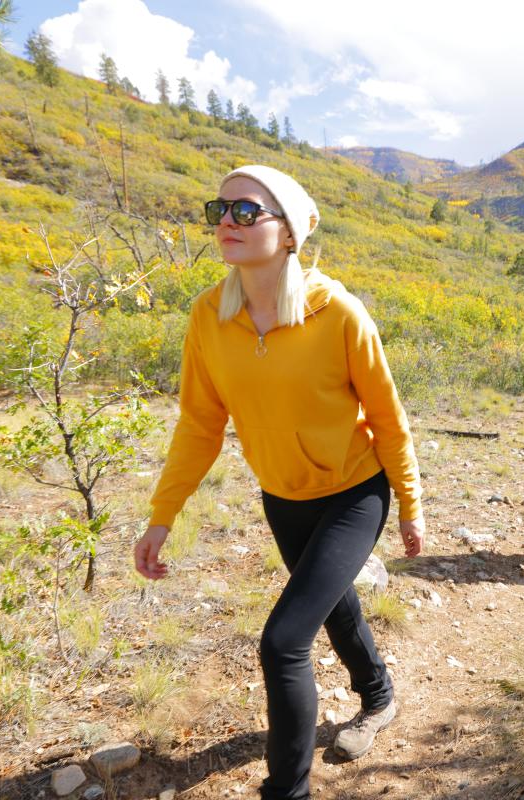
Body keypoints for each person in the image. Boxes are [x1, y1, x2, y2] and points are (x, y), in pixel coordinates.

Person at [132, 164, 424, 800]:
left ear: (290, 232)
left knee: (285, 641)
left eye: (246, 212)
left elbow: (387, 419)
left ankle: (286, 791)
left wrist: (409, 504)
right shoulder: (210, 316)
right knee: (333, 603)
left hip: (354, 491)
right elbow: (199, 426)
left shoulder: (340, 315)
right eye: (220, 210)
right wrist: (163, 515)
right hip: (283, 496)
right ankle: (379, 696)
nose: (227, 223)